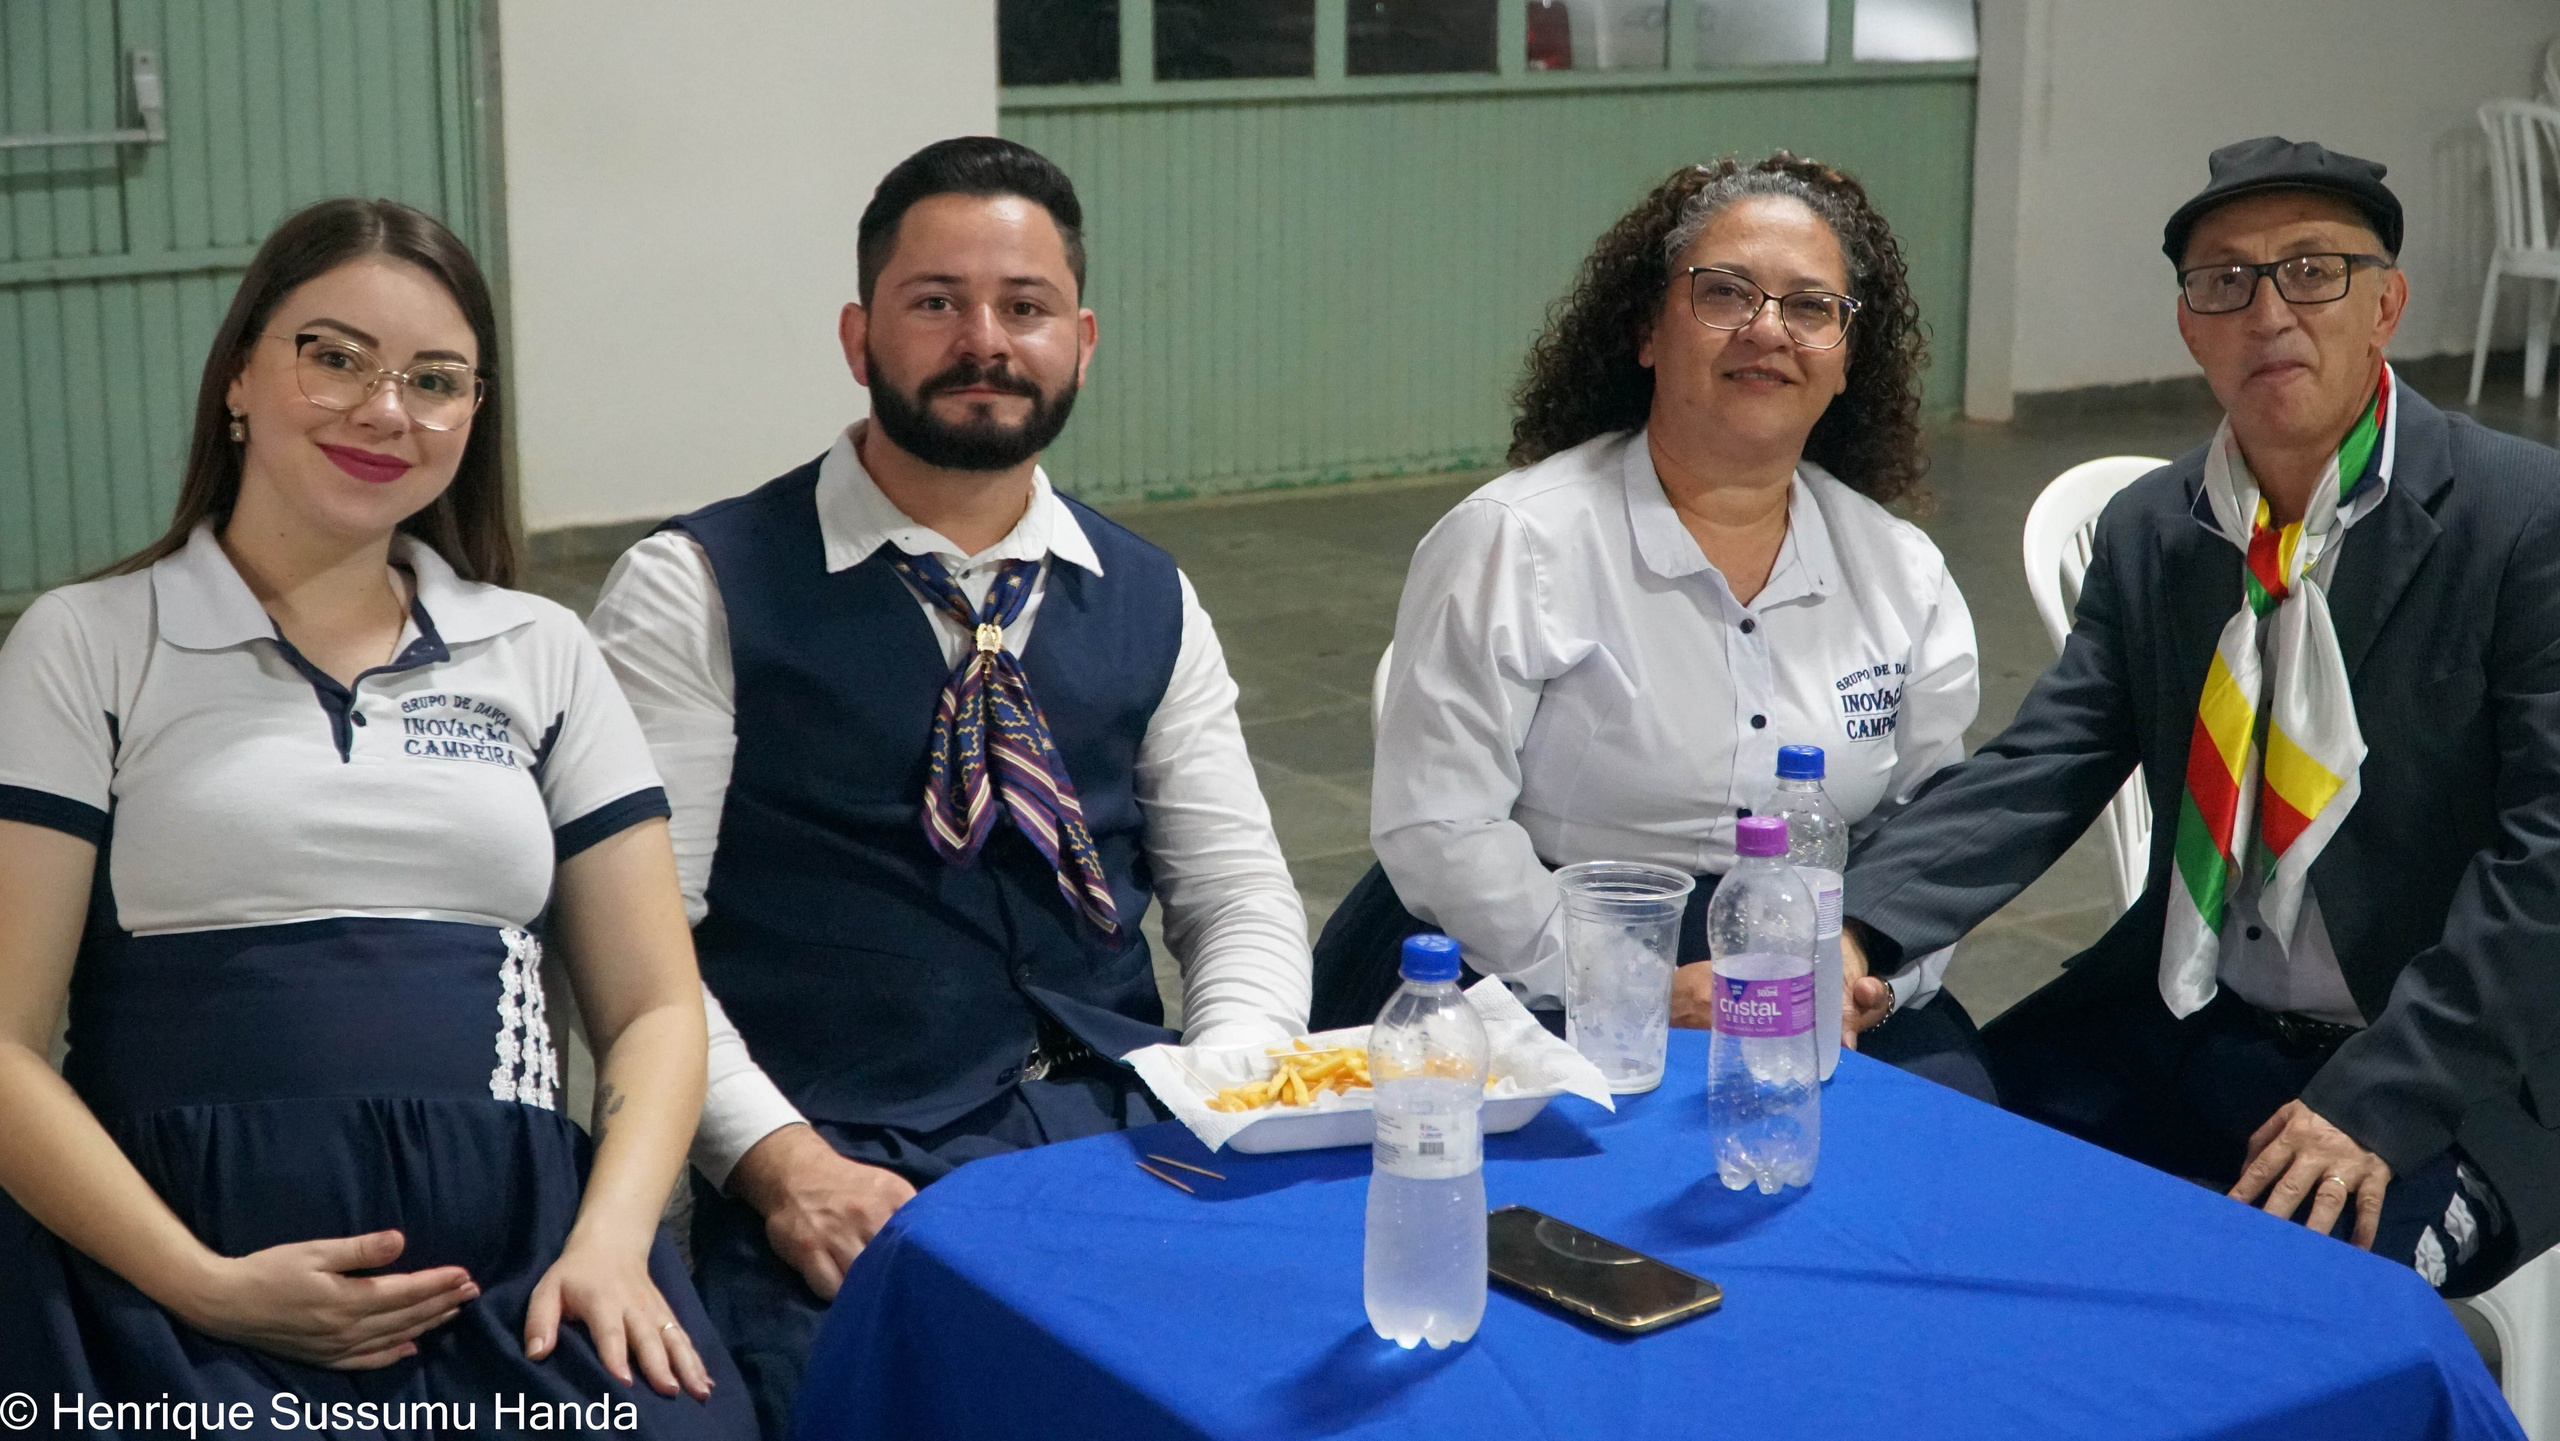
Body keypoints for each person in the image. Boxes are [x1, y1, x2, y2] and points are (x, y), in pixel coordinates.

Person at [587, 136, 1312, 1432]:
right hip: (846, 1153)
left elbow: (1238, 892)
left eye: (1024, 307)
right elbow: (634, 953)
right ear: (858, 336)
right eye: (937, 302)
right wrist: (780, 1166)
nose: (985, 340)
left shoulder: (1148, 594)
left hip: (1120, 1117)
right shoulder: (697, 587)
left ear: (1081, 341)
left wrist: (1227, 1088)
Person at [0, 199, 753, 1426]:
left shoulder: (541, 649)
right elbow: (5, 1039)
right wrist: (202, 1284)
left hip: (519, 1270)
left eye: (435, 380)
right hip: (161, 1280)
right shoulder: (89, 641)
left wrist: (612, 1243)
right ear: (238, 375)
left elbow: (654, 1008)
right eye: (335, 356)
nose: (385, 410)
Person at [1839, 137, 2560, 1296]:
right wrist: (1856, 929)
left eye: (2312, 271)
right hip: (2194, 1016)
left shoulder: (2521, 519)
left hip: (2447, 1063)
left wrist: (2380, 1098)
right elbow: (2047, 757)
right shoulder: (2158, 527)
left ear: (2385, 305)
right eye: (2225, 281)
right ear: (2189, 325)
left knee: (2267, 1307)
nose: (2268, 311)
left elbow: (2547, 858)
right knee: (1926, 1181)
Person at [1331, 153, 1995, 1101]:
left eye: (1812, 307)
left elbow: (1932, 827)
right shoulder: (1515, 541)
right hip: (1530, 955)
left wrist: (1868, 968)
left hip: (1810, 954)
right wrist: (1634, 983)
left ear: (1848, 358)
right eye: (1726, 293)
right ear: (1646, 329)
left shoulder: (1900, 570)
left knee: (1951, 1135)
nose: (1769, 329)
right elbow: (1442, 826)